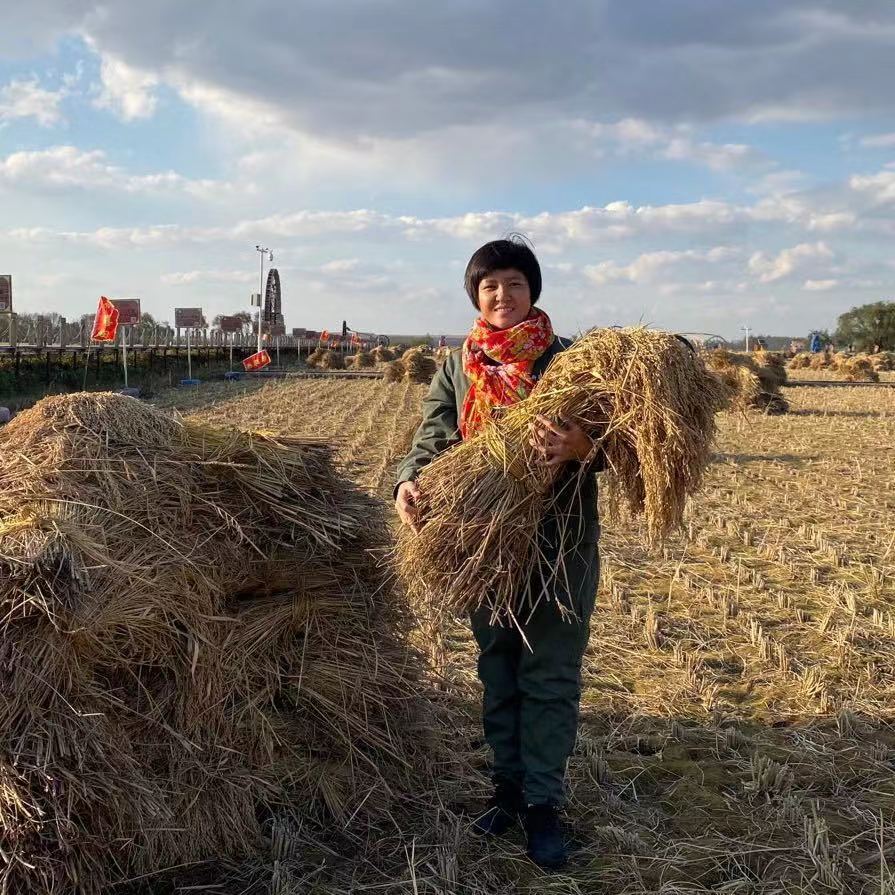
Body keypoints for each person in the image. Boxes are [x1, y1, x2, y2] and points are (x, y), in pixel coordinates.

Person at [394, 237, 601, 869]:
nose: (501, 296)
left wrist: (579, 445)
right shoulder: (461, 366)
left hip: (557, 544)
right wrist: (409, 478)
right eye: (489, 287)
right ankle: (506, 791)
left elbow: (619, 439)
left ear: (532, 290)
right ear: (475, 297)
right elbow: (435, 433)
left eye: (513, 284)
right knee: (498, 669)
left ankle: (543, 806)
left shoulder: (570, 362)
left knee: (549, 675)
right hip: (482, 545)